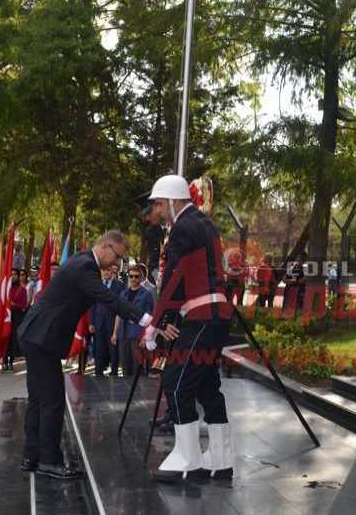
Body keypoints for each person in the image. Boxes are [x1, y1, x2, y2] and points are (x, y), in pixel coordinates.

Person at [17, 230, 154, 480]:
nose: (116, 264)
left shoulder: (82, 261)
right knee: (52, 400)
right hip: (42, 338)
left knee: (38, 399)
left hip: (36, 335)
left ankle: (31, 456)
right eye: (117, 257)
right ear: (105, 246)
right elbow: (108, 299)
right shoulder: (85, 267)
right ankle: (49, 461)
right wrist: (147, 319)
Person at [146, 174, 234, 483]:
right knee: (206, 384)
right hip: (213, 314)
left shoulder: (183, 227)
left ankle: (188, 459)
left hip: (201, 315)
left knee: (176, 381)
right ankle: (221, 459)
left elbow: (173, 279)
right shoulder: (203, 223)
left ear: (172, 201)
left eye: (158, 204)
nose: (156, 211)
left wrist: (157, 323)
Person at [113, 264, 153, 377]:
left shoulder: (147, 295)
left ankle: (139, 393)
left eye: (136, 276)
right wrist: (115, 333)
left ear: (141, 278)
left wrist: (145, 337)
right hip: (123, 334)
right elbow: (118, 314)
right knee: (125, 366)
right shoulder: (123, 293)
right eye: (131, 276)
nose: (133, 279)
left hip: (137, 335)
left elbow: (150, 318)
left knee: (138, 367)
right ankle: (127, 393)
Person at [89, 265, 125, 377]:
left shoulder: (119, 286)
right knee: (99, 347)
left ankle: (114, 371)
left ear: (112, 272)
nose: (105, 273)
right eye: (103, 270)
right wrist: (91, 322)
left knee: (113, 348)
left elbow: (121, 304)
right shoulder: (97, 284)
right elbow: (92, 304)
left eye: (108, 270)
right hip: (99, 321)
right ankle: (98, 371)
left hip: (113, 322)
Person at [3, 271, 28, 371]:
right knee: (5, 337)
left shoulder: (22, 290)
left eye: (15, 274)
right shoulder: (5, 288)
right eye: (11, 274)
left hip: (17, 317)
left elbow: (24, 306)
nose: (13, 276)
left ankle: (11, 361)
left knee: (13, 339)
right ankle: (4, 360)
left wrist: (14, 305)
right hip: (6, 316)